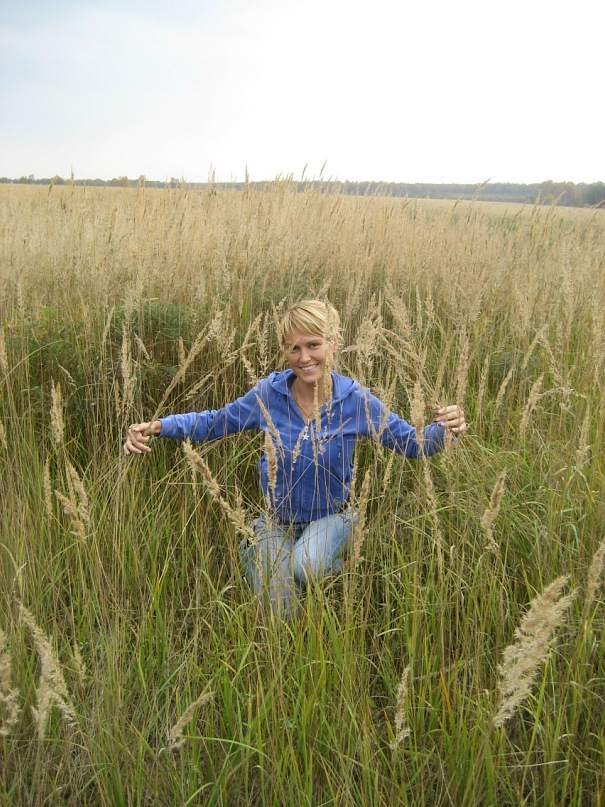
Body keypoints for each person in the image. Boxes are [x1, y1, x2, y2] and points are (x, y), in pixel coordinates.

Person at [124, 300, 467, 616]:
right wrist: (157, 426)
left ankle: (334, 568)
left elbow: (413, 444)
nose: (304, 358)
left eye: (313, 345)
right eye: (294, 348)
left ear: (334, 343)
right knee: (282, 615)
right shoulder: (269, 395)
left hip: (332, 517)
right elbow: (215, 422)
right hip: (277, 522)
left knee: (306, 566)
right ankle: (261, 553)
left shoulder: (356, 401)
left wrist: (448, 428)